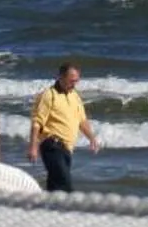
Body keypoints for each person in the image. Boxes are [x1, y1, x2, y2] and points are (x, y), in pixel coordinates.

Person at [28, 60, 99, 193]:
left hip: (67, 149)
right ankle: (71, 212)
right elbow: (37, 123)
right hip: (52, 145)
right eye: (71, 80)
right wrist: (33, 147)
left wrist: (91, 138)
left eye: (76, 81)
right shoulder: (49, 95)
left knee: (55, 188)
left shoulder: (75, 96)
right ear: (60, 77)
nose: (74, 84)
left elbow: (82, 120)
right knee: (65, 186)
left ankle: (47, 211)